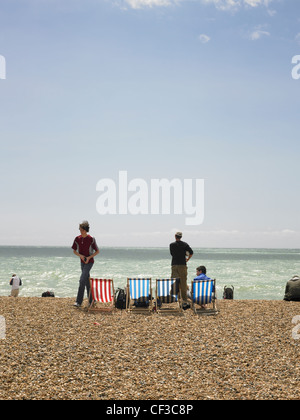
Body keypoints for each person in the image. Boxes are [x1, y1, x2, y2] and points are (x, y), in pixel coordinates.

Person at [71, 221, 99, 307]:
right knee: (86, 281)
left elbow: (97, 251)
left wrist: (89, 257)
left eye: (81, 229)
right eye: (79, 229)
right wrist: (81, 256)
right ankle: (91, 301)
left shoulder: (91, 239)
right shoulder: (77, 239)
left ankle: (78, 302)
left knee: (82, 279)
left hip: (89, 262)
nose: (79, 230)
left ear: (84, 230)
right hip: (82, 262)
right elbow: (74, 251)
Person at [169, 232, 193, 306]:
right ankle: (184, 299)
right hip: (182, 264)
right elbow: (191, 252)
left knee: (174, 281)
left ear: (175, 236)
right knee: (183, 282)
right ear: (181, 237)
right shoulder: (185, 244)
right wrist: (188, 258)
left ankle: (175, 297)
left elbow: (172, 254)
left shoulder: (171, 245)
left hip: (174, 265)